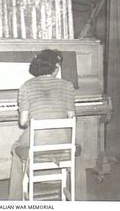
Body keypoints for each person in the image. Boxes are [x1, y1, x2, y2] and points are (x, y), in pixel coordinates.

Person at [8, 49, 75, 200]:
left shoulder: (26, 86)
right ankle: (77, 196)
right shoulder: (67, 85)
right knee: (77, 149)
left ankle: (14, 201)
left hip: (37, 143)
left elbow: (23, 122)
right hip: (63, 143)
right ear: (56, 67)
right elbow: (72, 117)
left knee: (16, 149)